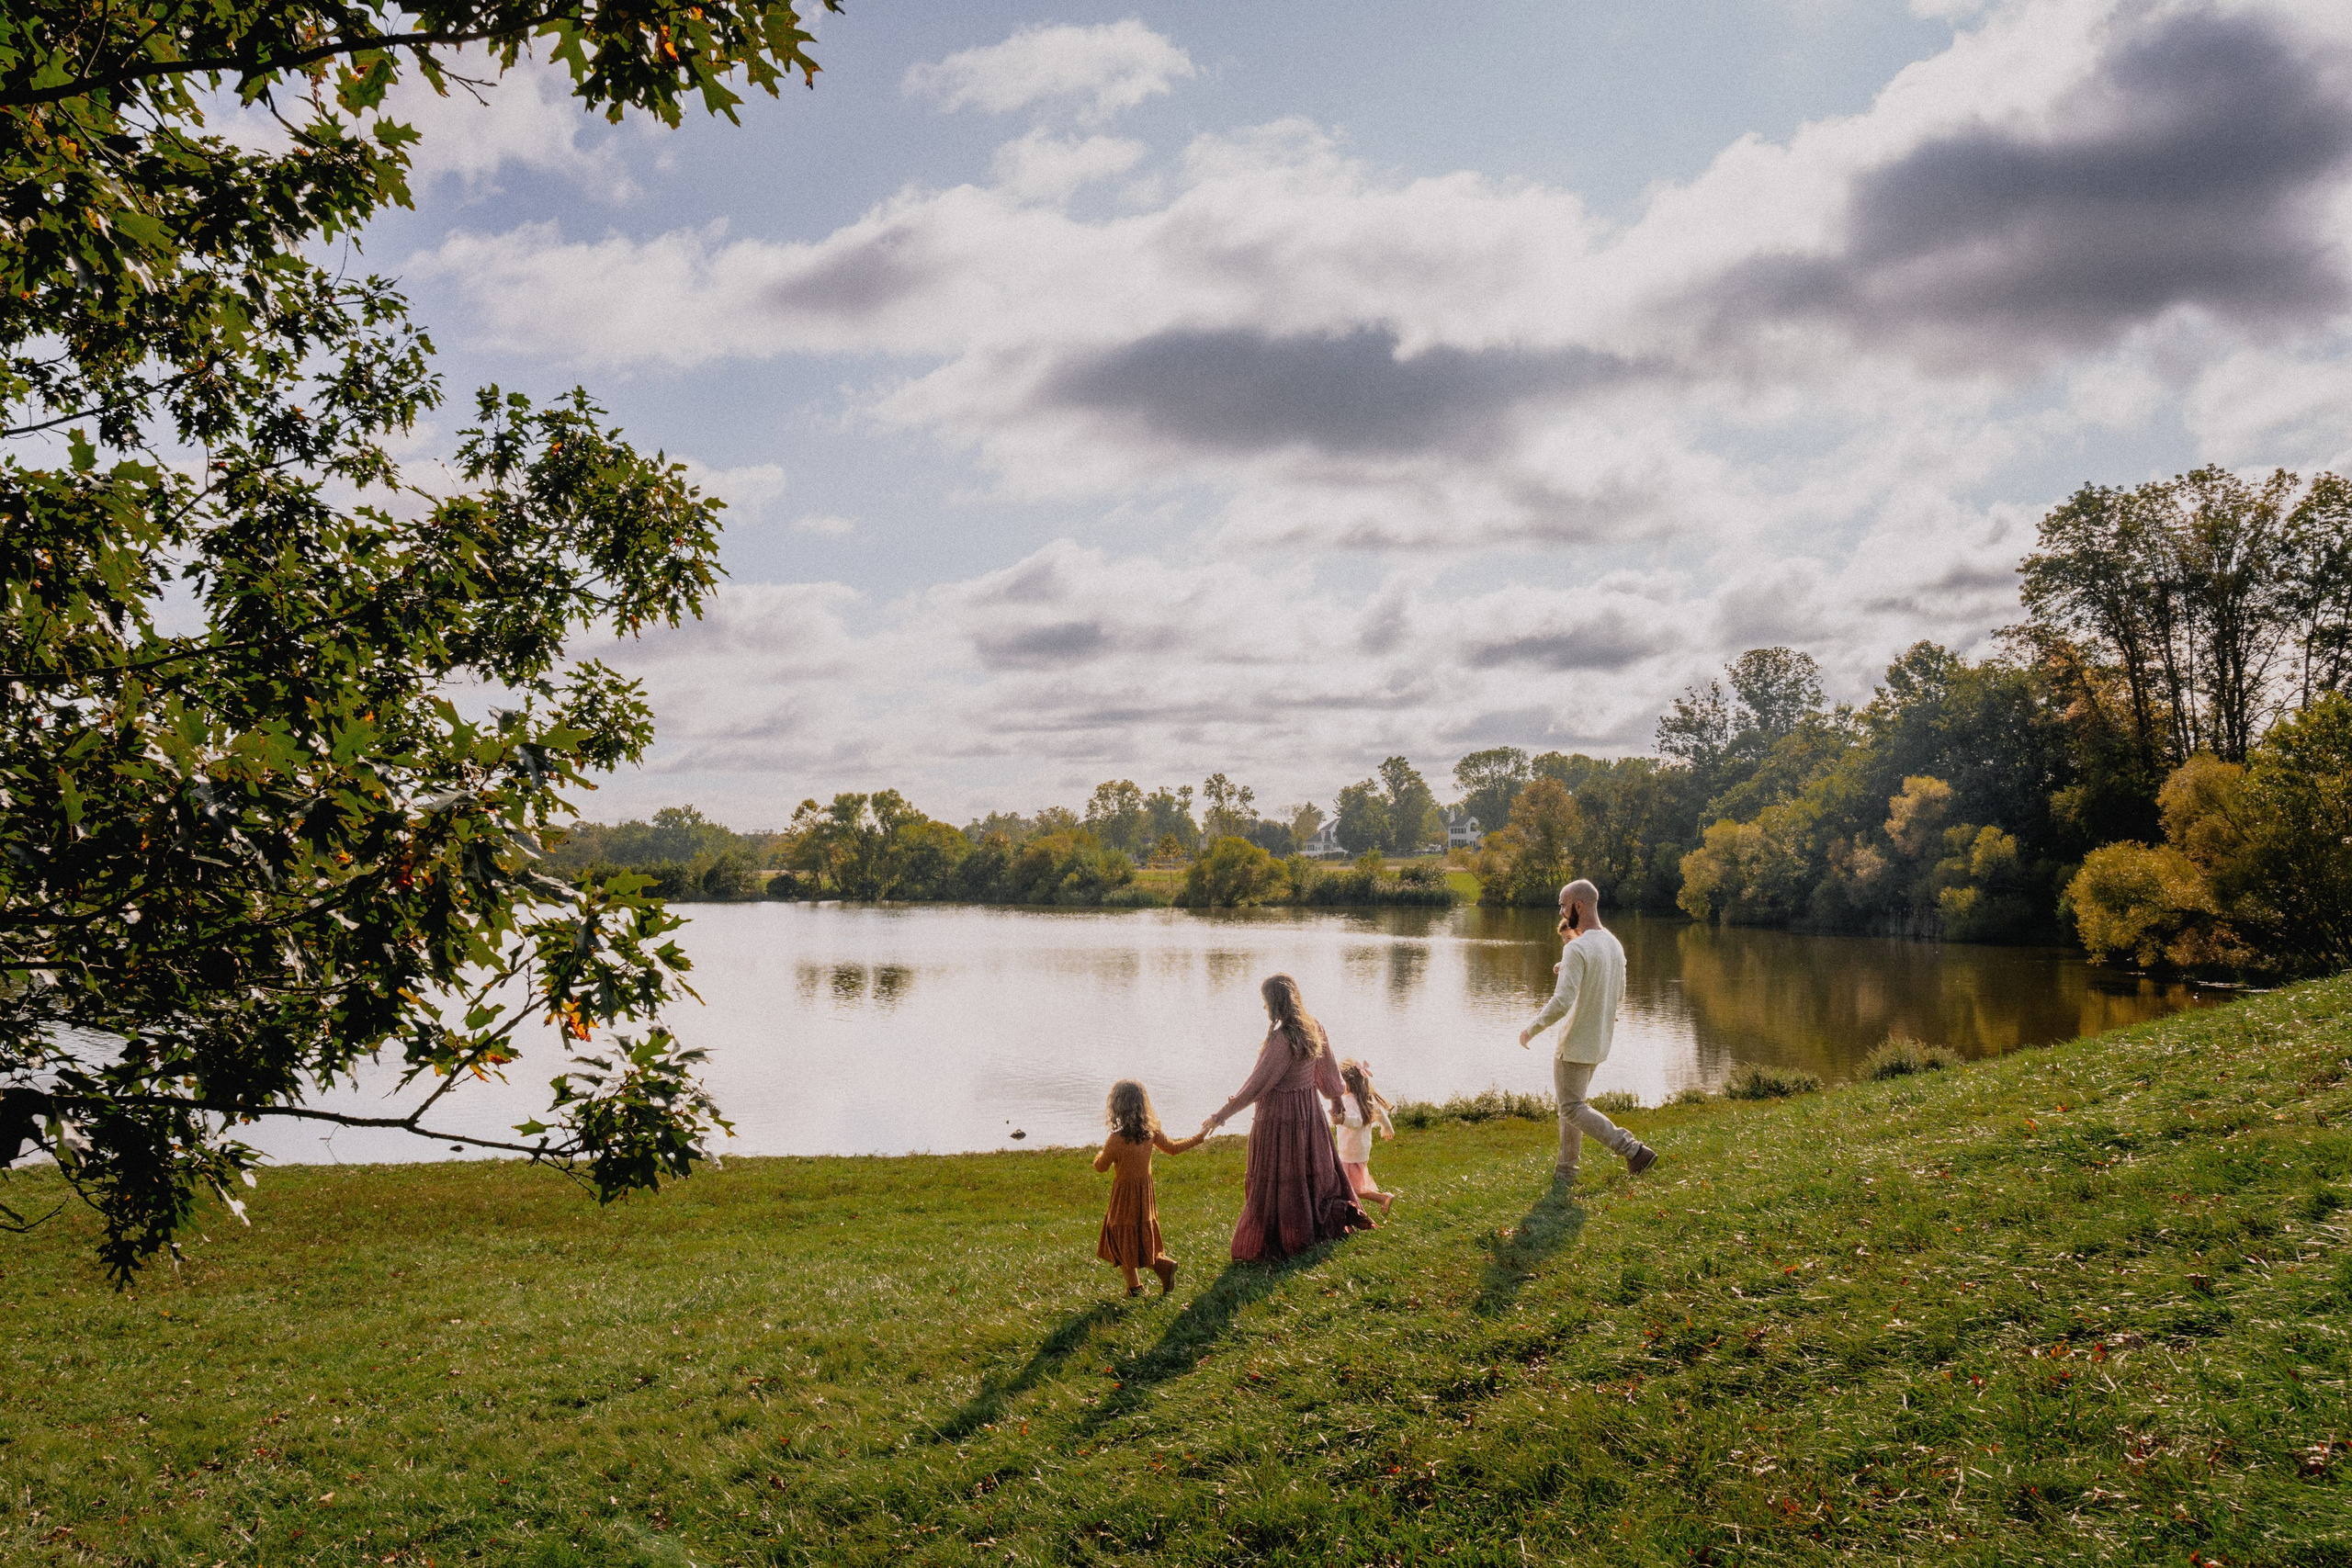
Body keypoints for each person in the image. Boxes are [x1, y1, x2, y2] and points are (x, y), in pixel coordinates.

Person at [1198, 975, 1374, 1262]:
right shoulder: (1313, 1027)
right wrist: (1336, 1101)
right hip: (1309, 1113)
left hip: (1280, 1118)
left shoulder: (1282, 1039)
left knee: (1280, 1178)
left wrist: (1221, 1115)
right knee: (1307, 1174)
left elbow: (1255, 1086)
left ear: (1275, 1002)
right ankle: (1313, 1224)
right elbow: (1330, 1075)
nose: (1264, 1008)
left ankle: (1287, 1233)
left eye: (1266, 1002)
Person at [1519, 879, 1657, 1184]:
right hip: (1599, 1041)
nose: (1561, 911)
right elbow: (1618, 993)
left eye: (1563, 905)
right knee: (1573, 1107)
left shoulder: (1577, 947)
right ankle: (1566, 1172)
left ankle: (1634, 1150)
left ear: (1578, 906)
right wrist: (1566, 967)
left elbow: (1562, 1002)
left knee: (1571, 1108)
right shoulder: (1613, 944)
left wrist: (1531, 1028)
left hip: (1574, 1042)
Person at [1093, 1080, 1205, 1296]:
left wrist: (1098, 1155)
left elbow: (1101, 1167)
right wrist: (1198, 1137)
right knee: (1135, 1237)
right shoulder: (1151, 1132)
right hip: (1144, 1197)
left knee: (1120, 1236)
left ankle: (1159, 1269)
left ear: (1117, 1106)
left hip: (1124, 1197)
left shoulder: (1116, 1139)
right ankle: (1135, 1287)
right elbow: (1174, 1148)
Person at [1332, 1058, 1396, 1217]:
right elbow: (1380, 1113)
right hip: (1359, 1150)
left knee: (1351, 1187)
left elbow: (1357, 1121)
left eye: (1339, 1081)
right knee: (1350, 1186)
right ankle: (1349, 1211)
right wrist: (1386, 1128)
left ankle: (1382, 1198)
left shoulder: (1350, 1100)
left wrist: (1342, 1119)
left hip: (1351, 1153)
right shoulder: (1365, 1097)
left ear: (1347, 1083)